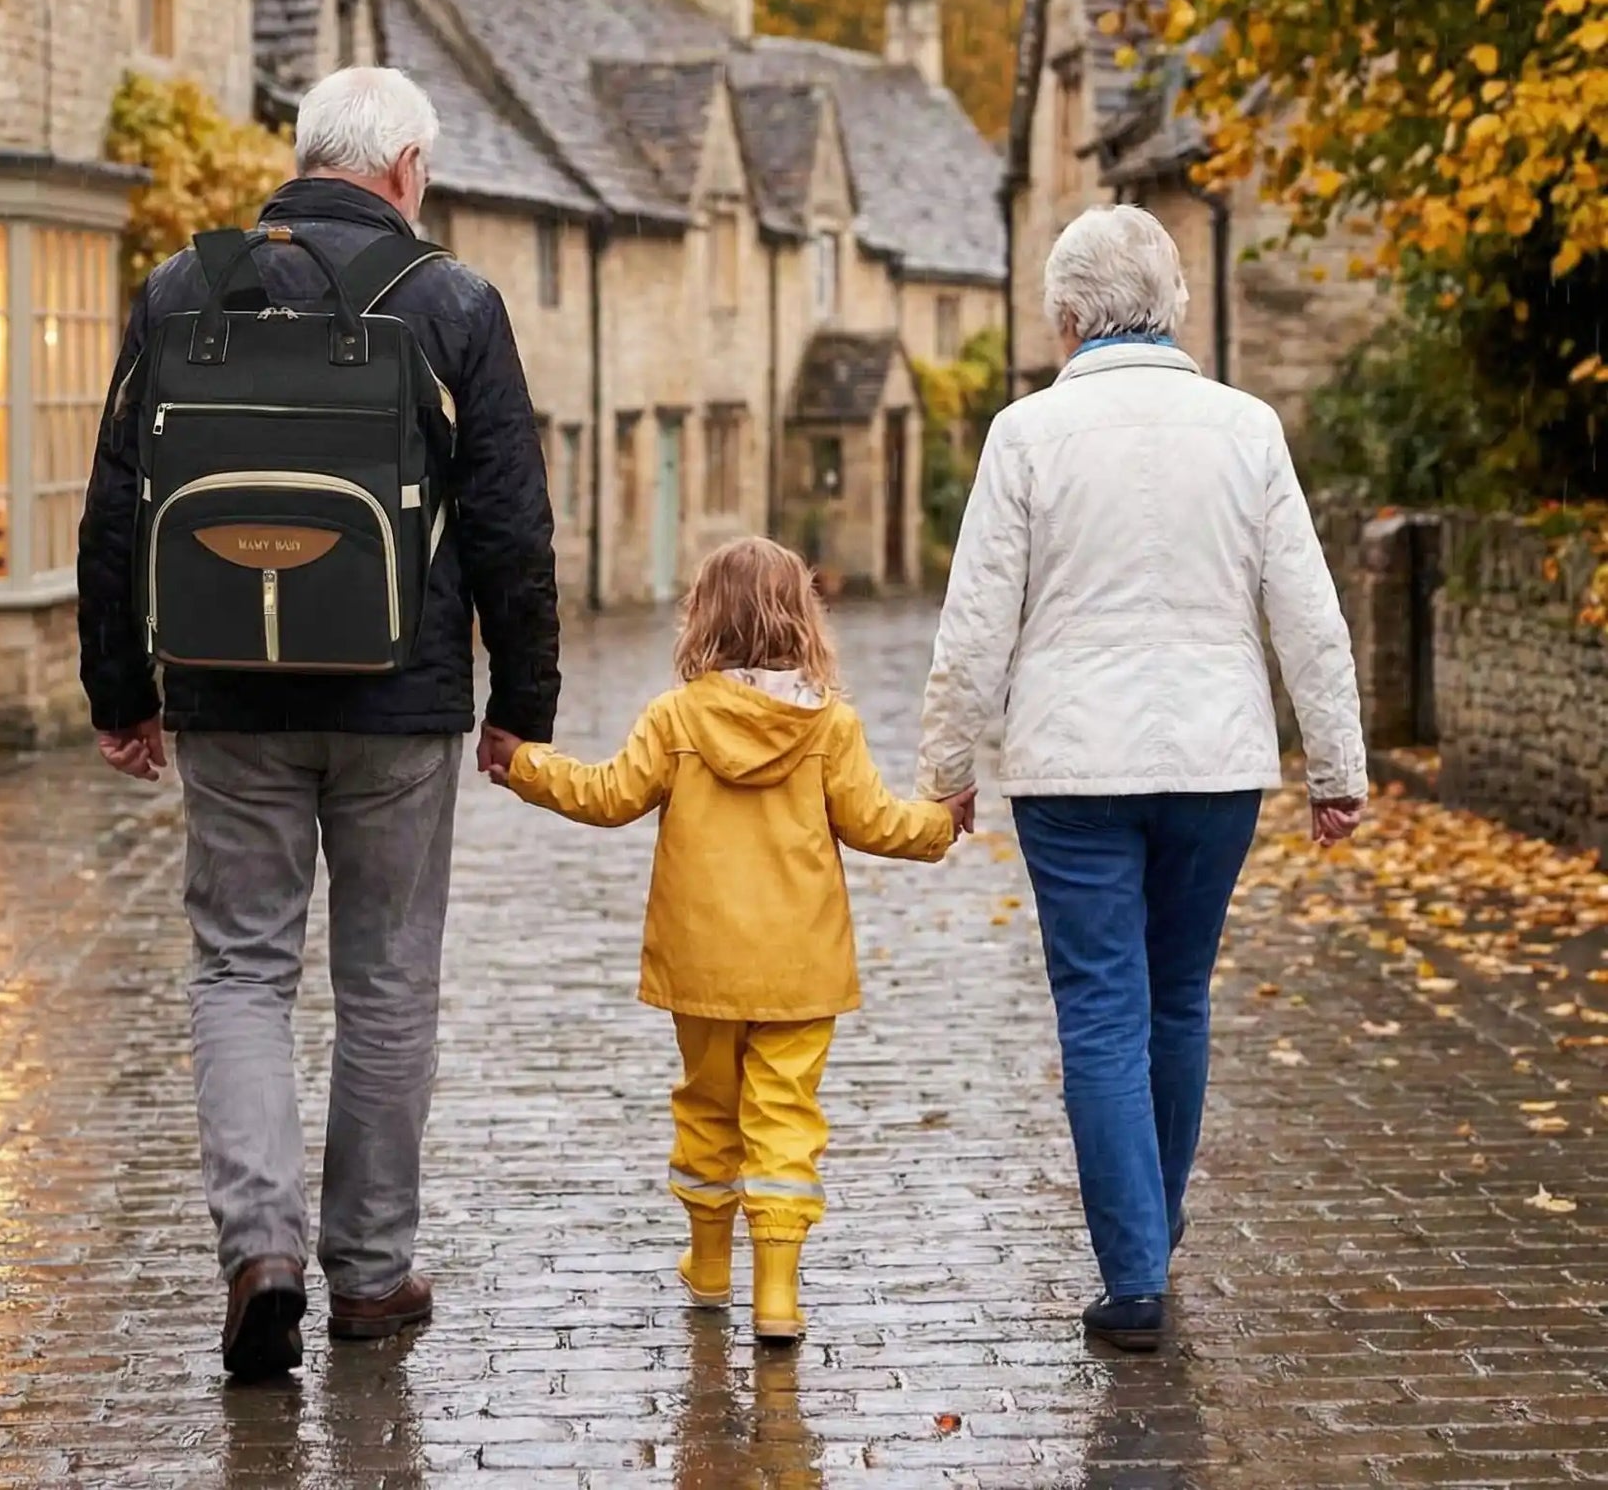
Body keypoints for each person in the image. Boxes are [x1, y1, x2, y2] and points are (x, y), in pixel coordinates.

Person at [77, 66, 560, 1376]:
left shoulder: (188, 289)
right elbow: (513, 517)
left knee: (239, 963)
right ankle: (367, 1270)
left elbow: (119, 500)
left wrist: (120, 689)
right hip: (398, 696)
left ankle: (259, 1249)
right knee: (387, 974)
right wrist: (522, 703)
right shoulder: (452, 301)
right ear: (405, 165)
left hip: (227, 688)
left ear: (299, 159)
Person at [917, 204, 1367, 1353]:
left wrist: (947, 764)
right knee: (1176, 997)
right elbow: (1304, 610)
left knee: (1102, 1010)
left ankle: (1132, 1278)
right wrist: (1334, 766)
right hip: (1215, 763)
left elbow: (976, 618)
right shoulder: (1246, 426)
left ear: (1066, 316)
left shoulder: (1025, 433)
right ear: (1171, 305)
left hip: (1072, 768)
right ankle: (1147, 1243)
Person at [483, 537, 965, 1345]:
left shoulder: (676, 718)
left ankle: (709, 1266)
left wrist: (526, 764)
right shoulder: (829, 728)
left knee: (708, 1107)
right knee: (784, 1116)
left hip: (700, 964)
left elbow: (606, 795)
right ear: (803, 620)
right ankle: (777, 1294)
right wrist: (942, 822)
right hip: (799, 967)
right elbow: (877, 822)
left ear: (702, 618)